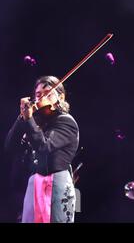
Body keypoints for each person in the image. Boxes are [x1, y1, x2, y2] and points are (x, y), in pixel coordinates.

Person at [4, 76, 79, 223]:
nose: (41, 98)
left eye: (47, 93)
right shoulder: (36, 122)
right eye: (38, 95)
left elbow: (43, 146)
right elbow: (10, 147)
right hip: (35, 181)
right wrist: (22, 118)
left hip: (57, 181)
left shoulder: (65, 121)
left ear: (61, 97)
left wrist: (28, 120)